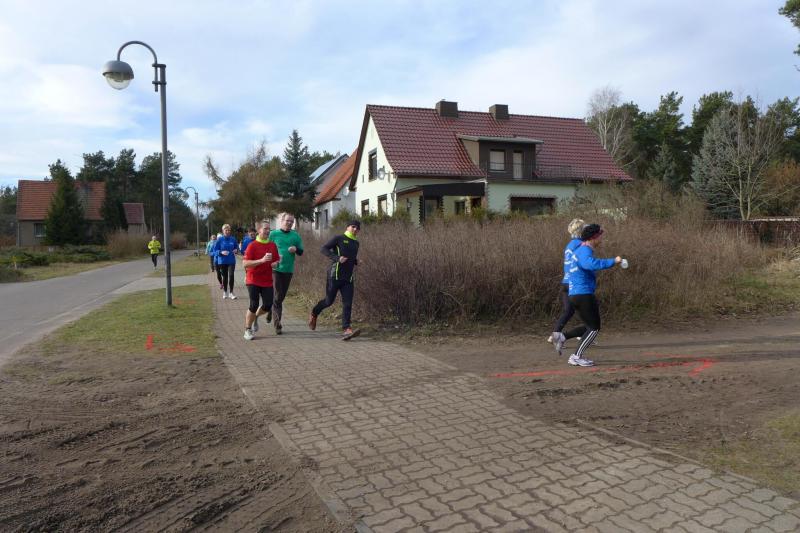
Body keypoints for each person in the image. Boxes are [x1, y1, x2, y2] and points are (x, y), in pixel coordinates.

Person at [561, 223, 621, 367]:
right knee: (594, 328)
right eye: (600, 236)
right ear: (594, 237)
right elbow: (591, 264)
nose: (601, 239)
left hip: (577, 293)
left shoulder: (580, 250)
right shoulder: (584, 250)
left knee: (589, 326)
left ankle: (563, 337)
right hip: (583, 294)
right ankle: (576, 356)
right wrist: (614, 261)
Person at [308, 220, 361, 340]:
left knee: (348, 303)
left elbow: (350, 257)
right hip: (334, 276)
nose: (355, 229)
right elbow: (324, 249)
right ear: (347, 227)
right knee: (328, 301)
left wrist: (356, 261)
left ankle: (346, 329)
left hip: (348, 278)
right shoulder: (339, 238)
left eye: (357, 228)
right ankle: (314, 313)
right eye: (353, 227)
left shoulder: (356, 243)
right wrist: (337, 258)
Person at [550, 218, 585, 355]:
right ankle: (585, 334)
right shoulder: (581, 244)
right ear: (581, 230)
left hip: (566, 281)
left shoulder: (570, 244)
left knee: (569, 311)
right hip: (575, 282)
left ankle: (556, 335)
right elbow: (583, 262)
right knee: (587, 310)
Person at [242, 220, 280, 340]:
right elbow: (245, 264)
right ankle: (247, 330)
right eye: (265, 229)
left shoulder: (272, 245)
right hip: (253, 279)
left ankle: (256, 317)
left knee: (268, 305)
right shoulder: (252, 245)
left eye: (269, 229)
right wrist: (261, 260)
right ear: (259, 230)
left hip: (267, 280)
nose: (268, 231)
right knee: (253, 305)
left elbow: (277, 260)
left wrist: (276, 263)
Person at [269, 212, 304, 335]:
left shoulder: (295, 236)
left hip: (288, 270)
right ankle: (277, 324)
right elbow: (265, 248)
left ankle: (270, 310)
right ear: (282, 221)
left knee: (281, 297)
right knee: (278, 295)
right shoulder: (273, 234)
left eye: (291, 221)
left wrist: (296, 249)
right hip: (276, 269)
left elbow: (301, 251)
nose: (289, 223)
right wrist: (273, 258)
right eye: (287, 220)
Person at [213, 224, 239, 299]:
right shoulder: (219, 240)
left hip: (231, 261)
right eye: (226, 230)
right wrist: (221, 252)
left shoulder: (233, 239)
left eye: (229, 230)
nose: (227, 232)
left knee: (231, 275)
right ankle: (225, 292)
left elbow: (237, 248)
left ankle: (231, 292)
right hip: (222, 261)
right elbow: (215, 250)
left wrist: (236, 250)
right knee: (225, 277)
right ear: (223, 231)